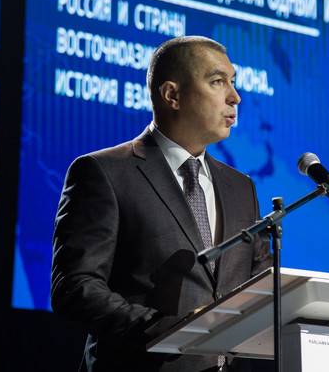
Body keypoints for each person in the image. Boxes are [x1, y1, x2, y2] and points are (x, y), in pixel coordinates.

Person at [51, 36, 272, 372]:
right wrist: (169, 331)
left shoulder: (241, 188)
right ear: (172, 95)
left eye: (233, 82)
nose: (235, 97)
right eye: (218, 82)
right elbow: (75, 286)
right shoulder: (104, 172)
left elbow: (261, 286)